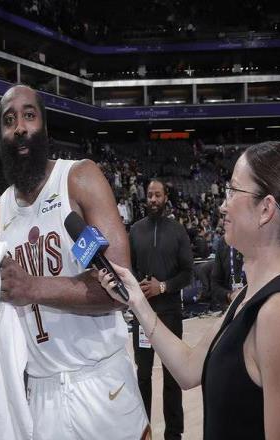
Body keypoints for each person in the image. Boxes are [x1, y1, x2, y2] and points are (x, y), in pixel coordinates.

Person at [0, 84, 149, 440]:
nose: (19, 127)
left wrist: (33, 287)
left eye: (29, 116)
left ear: (45, 126)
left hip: (102, 382)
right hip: (40, 393)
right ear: (0, 135)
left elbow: (121, 286)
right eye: (9, 121)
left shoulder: (78, 178)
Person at [100, 141, 280, 440]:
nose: (223, 205)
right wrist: (136, 299)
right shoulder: (247, 296)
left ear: (265, 209)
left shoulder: (279, 312)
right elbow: (188, 369)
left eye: (232, 191)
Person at [128, 178, 193, 440]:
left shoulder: (178, 231)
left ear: (166, 197)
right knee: (143, 376)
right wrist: (138, 286)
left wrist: (162, 287)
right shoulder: (135, 230)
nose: (153, 200)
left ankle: (173, 434)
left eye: (157, 195)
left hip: (170, 315)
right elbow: (129, 268)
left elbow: (188, 273)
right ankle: (144, 431)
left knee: (172, 377)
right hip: (142, 316)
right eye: (149, 195)